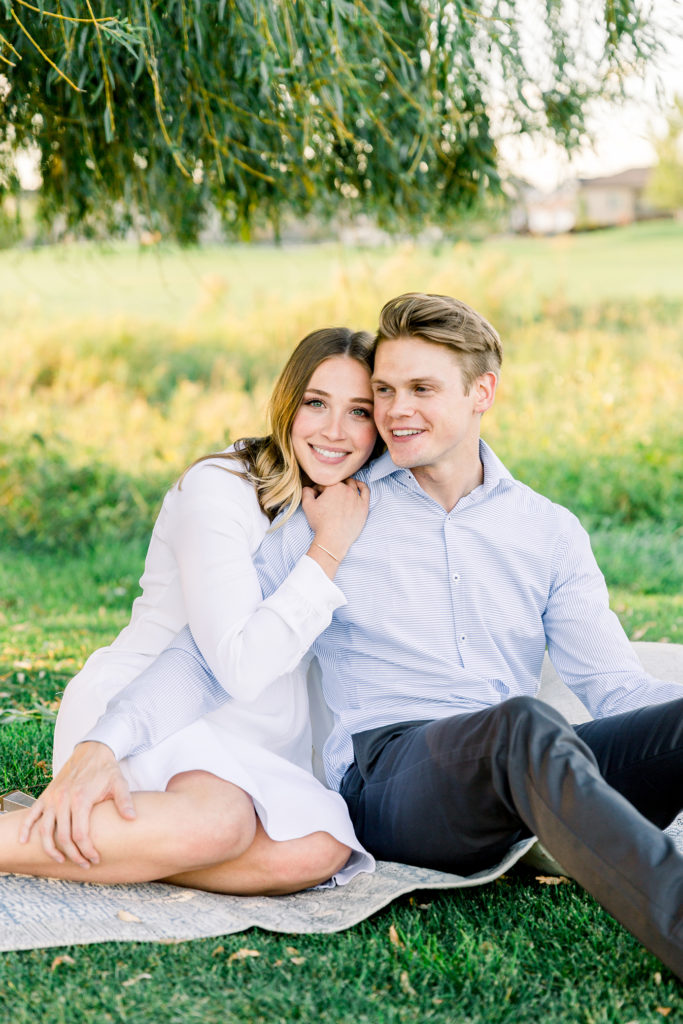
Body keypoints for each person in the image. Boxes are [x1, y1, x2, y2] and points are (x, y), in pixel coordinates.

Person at [20, 294, 683, 977]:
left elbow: (614, 686)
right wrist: (107, 742)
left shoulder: (548, 530)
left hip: (519, 764)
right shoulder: (337, 510)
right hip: (394, 779)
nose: (396, 411)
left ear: (482, 391)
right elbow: (204, 657)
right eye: (386, 391)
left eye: (421, 389)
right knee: (522, 724)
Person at [2, 327, 380, 893]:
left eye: (359, 412)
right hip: (151, 708)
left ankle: (116, 846)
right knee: (220, 823)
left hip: (256, 736)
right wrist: (325, 552)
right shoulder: (219, 488)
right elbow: (238, 665)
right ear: (287, 403)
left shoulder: (350, 499)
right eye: (316, 403)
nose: (334, 431)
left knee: (320, 848)